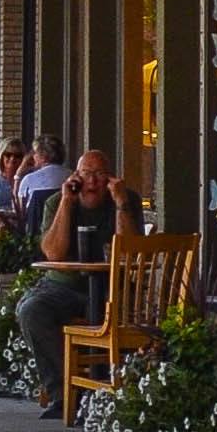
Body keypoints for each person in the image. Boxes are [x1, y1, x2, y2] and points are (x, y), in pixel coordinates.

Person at [15, 150, 146, 418]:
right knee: (31, 311)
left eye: (100, 175)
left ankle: (111, 392)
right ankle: (64, 395)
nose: (94, 182)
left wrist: (120, 202)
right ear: (76, 176)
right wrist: (67, 201)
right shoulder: (57, 202)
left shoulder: (126, 200)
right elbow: (54, 253)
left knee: (112, 315)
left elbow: (131, 252)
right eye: (87, 174)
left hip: (112, 286)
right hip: (64, 285)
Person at [16, 135, 70, 233]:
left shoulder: (29, 179)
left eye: (35, 153)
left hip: (37, 236)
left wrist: (18, 174)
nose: (33, 156)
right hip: (69, 231)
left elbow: (20, 212)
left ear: (43, 157)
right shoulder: (72, 176)